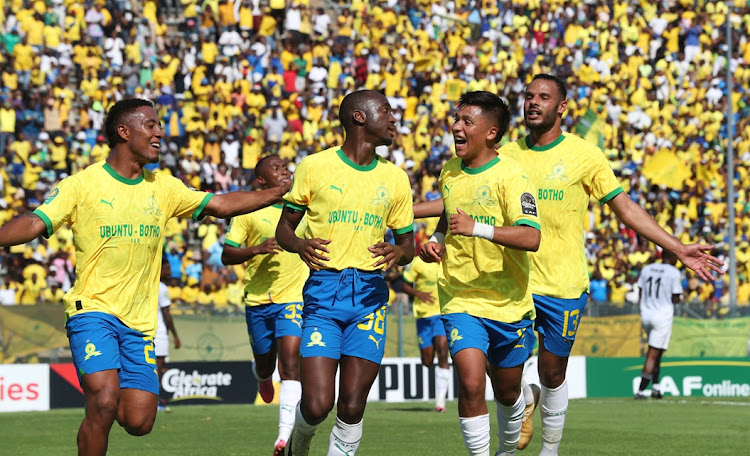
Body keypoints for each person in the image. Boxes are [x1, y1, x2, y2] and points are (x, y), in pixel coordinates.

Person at [416, 75, 723, 455]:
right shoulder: (504, 153)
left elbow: (624, 208)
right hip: (513, 284)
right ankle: (514, 427)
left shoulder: (585, 156)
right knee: (495, 375)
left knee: (552, 373)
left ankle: (549, 450)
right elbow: (455, 198)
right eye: (528, 96)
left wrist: (676, 247)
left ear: (562, 107)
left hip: (561, 283)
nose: (533, 102)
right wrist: (402, 212)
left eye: (543, 97)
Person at [0, 98, 290, 456]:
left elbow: (220, 205)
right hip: (93, 310)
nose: (160, 132)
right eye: (150, 125)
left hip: (139, 323)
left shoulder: (164, 187)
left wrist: (276, 193)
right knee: (104, 402)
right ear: (124, 132)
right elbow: (33, 222)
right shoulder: (82, 185)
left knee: (139, 421)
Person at [276, 90, 414, 456]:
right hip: (324, 292)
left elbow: (409, 247)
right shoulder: (315, 166)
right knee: (318, 404)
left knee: (352, 407)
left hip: (369, 295)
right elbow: (284, 230)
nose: (393, 118)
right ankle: (299, 441)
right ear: (358, 117)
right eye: (385, 111)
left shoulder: (396, 178)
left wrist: (400, 251)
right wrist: (299, 245)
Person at [419, 91, 541, 456]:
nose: (456, 127)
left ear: (491, 132)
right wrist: (437, 238)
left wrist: (479, 229)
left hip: (509, 304)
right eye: (456, 119)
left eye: (466, 121)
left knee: (506, 394)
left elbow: (531, 236)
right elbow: (449, 214)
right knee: (471, 384)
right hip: (460, 297)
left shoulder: (513, 176)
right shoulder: (449, 172)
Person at [221, 154, 308, 456]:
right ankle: (261, 376)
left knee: (290, 363)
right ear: (261, 181)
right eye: (276, 168)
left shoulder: (301, 206)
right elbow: (227, 255)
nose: (284, 170)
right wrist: (257, 249)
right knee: (266, 363)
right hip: (258, 300)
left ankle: (283, 436)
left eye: (285, 166)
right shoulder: (248, 212)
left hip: (292, 297)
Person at [401, 255, 451, 413]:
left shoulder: (448, 260)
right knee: (428, 360)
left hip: (442, 313)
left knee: (443, 352)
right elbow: (404, 285)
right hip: (423, 315)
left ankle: (440, 402)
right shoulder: (418, 262)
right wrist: (417, 294)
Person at [634, 250, 683, 400]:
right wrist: (679, 299)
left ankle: (656, 387)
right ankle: (641, 391)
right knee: (653, 353)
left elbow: (641, 290)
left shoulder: (647, 269)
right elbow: (675, 297)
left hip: (647, 314)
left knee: (658, 351)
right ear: (672, 257)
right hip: (662, 316)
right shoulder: (673, 272)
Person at [155, 259, 181, 411]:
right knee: (158, 367)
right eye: (167, 269)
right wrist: (175, 336)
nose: (170, 272)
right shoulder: (162, 288)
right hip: (158, 333)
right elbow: (167, 314)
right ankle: (154, 403)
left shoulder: (147, 286)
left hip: (146, 331)